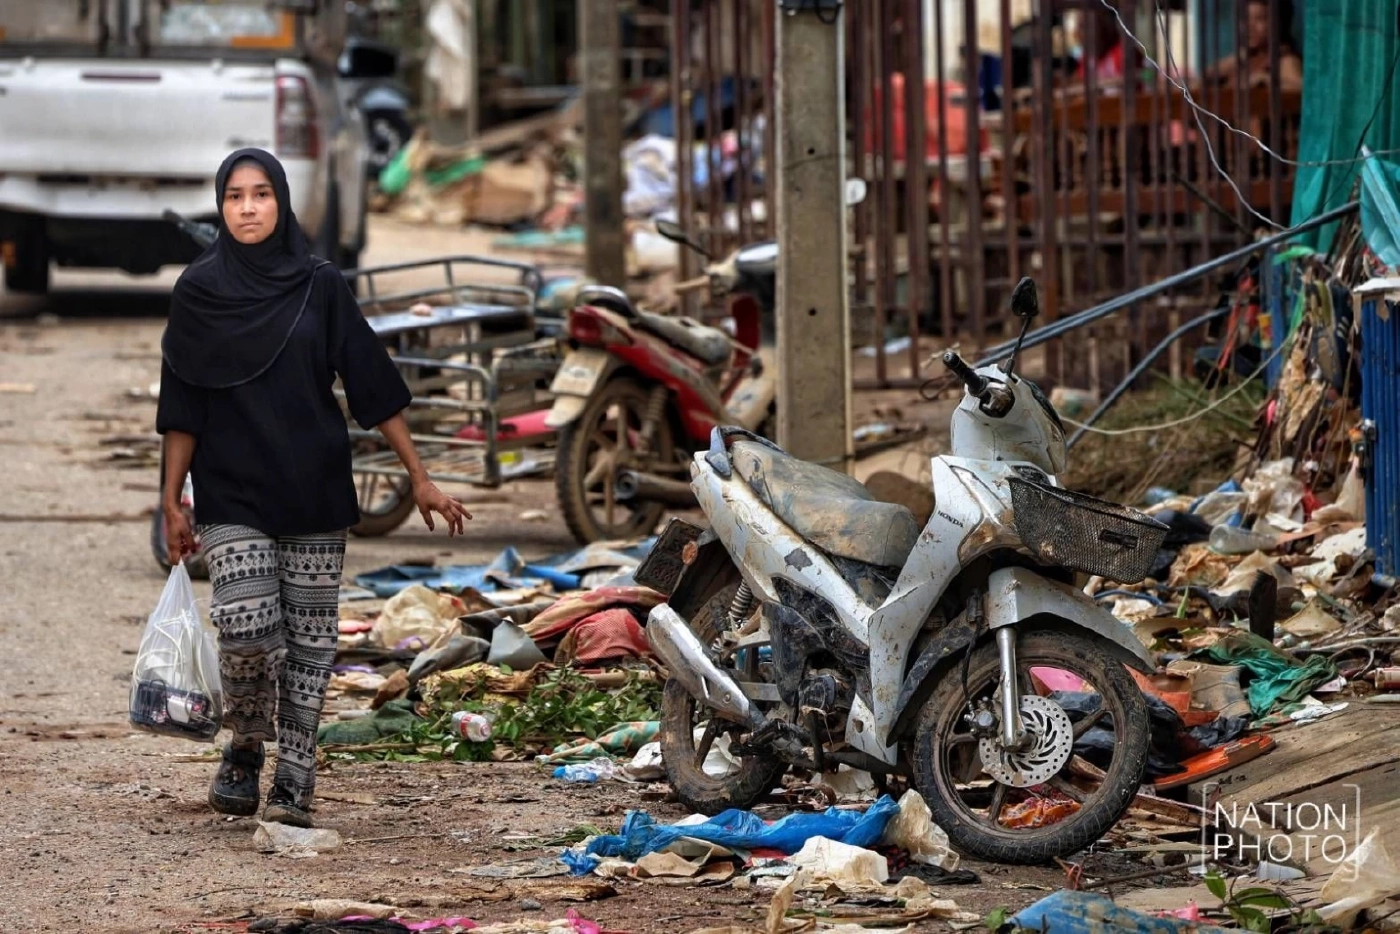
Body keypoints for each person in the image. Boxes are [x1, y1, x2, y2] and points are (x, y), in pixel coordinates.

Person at [157, 148, 471, 828]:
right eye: (234, 196)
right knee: (245, 630)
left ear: (282, 203)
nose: (247, 208)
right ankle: (244, 742)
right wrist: (169, 502)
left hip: (313, 488)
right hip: (230, 490)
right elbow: (180, 407)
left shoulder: (318, 285)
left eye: (261, 195)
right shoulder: (198, 292)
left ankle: (295, 774)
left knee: (309, 645)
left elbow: (371, 384)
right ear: (220, 206)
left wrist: (420, 478)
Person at [1212, 0, 1302, 91]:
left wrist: (1265, 80)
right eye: (1245, 19)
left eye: (1259, 19)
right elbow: (1201, 79)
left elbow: (1301, 89)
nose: (1249, 27)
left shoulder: (1286, 60)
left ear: (1279, 23)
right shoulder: (1243, 58)